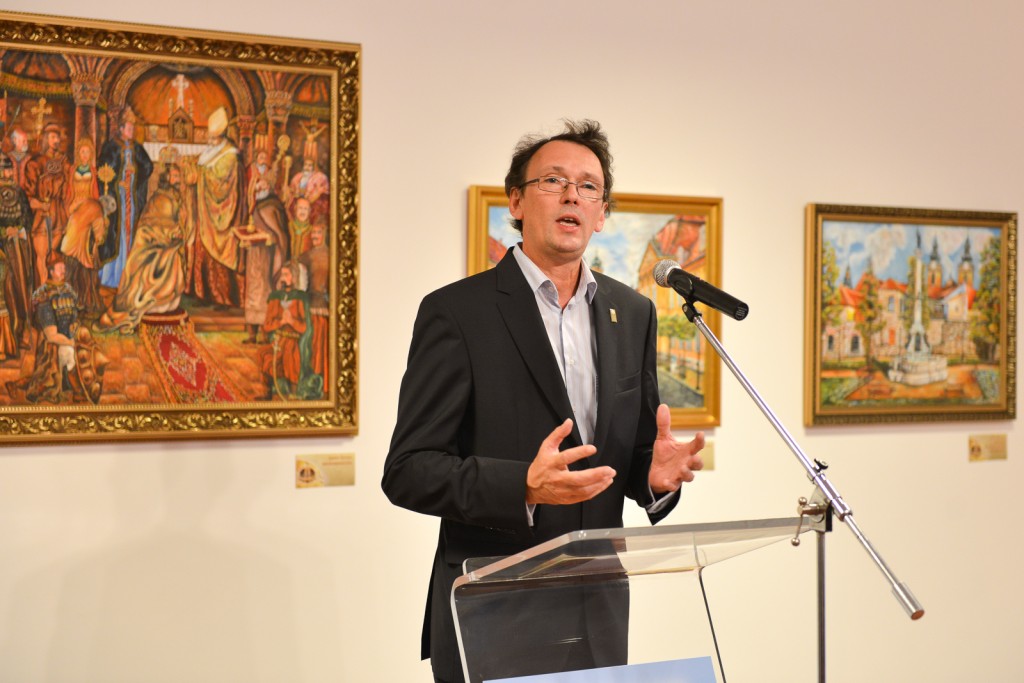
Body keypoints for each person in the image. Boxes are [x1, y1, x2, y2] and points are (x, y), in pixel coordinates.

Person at [381, 120, 705, 683]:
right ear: (516, 202)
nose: (572, 195)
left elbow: (625, 458)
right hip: (493, 608)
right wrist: (523, 486)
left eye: (589, 187)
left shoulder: (632, 314)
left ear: (601, 214)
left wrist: (653, 478)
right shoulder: (458, 313)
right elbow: (408, 471)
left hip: (596, 611)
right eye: (554, 181)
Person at [98, 164, 192, 333]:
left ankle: (167, 299)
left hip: (169, 246)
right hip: (152, 248)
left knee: (174, 256)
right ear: (166, 178)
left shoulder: (177, 197)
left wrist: (179, 232)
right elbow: (153, 225)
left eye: (178, 176)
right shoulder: (160, 198)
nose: (177, 180)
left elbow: (181, 222)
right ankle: (152, 300)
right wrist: (172, 233)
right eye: (174, 176)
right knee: (162, 262)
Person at [188, 105, 243, 307]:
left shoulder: (230, 155)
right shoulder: (214, 151)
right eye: (209, 138)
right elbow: (203, 164)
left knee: (217, 256)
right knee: (201, 250)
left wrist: (200, 172)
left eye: (213, 138)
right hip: (205, 215)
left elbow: (220, 184)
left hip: (220, 215)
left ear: (221, 137)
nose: (209, 141)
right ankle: (202, 294)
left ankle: (221, 297)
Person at [97, 107, 154, 291]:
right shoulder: (111, 147)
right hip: (117, 198)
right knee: (116, 232)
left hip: (132, 199)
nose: (132, 131)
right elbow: (103, 171)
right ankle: (113, 275)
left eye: (132, 128)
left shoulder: (137, 148)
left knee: (131, 232)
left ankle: (129, 273)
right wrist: (117, 183)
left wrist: (134, 177)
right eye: (129, 128)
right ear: (121, 129)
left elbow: (148, 167)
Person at [24, 122, 71, 289]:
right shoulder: (35, 163)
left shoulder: (63, 161)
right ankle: (42, 290)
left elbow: (68, 188)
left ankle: (55, 289)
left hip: (59, 213)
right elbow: (29, 194)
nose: (56, 140)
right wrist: (38, 204)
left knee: (55, 255)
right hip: (42, 214)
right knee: (42, 255)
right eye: (52, 137)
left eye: (57, 137)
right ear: (45, 139)